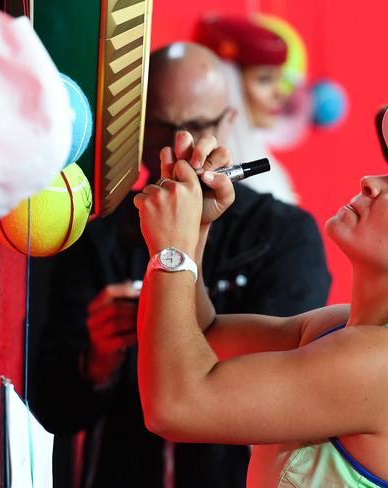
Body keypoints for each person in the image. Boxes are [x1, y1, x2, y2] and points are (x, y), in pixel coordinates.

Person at [132, 87, 388, 487]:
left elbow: (175, 406)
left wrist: (173, 248)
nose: (372, 181)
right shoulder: (344, 330)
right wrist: (196, 229)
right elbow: (203, 337)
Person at [31, 42, 331, 488]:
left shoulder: (284, 235)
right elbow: (49, 406)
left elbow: (271, 387)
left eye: (194, 126)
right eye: (162, 126)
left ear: (229, 122)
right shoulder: (98, 232)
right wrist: (97, 361)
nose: (178, 144)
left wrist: (178, 264)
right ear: (138, 127)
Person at [196, 14, 299, 204]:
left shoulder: (264, 157)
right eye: (265, 79)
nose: (280, 94)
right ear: (228, 84)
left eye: (280, 79)